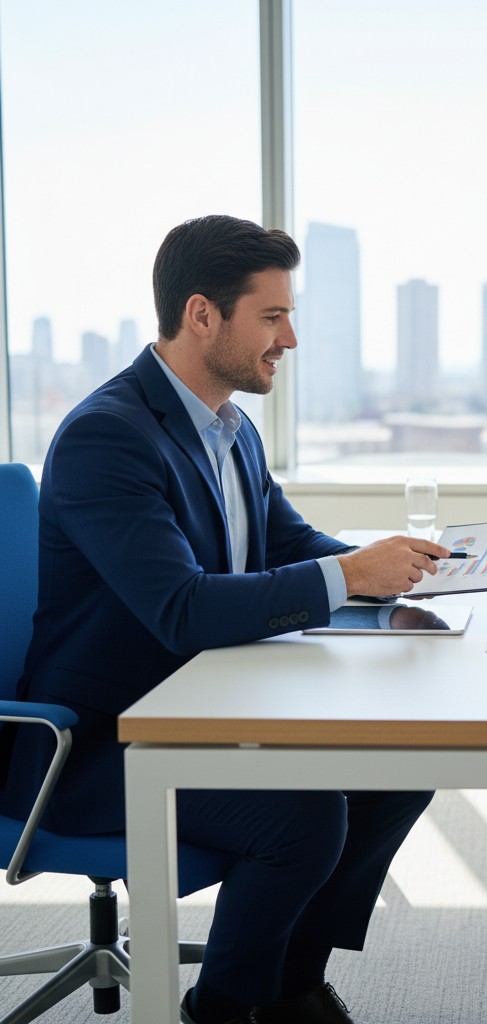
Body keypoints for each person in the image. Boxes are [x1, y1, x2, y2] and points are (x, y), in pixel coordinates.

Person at [0, 215, 450, 1024]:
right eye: (272, 317)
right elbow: (182, 609)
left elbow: (283, 539)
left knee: (396, 768)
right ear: (203, 315)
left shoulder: (227, 426)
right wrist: (347, 575)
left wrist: (393, 573)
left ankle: (287, 988)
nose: (292, 338)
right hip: (102, 742)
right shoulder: (110, 436)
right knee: (303, 818)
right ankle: (226, 1010)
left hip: (206, 709)